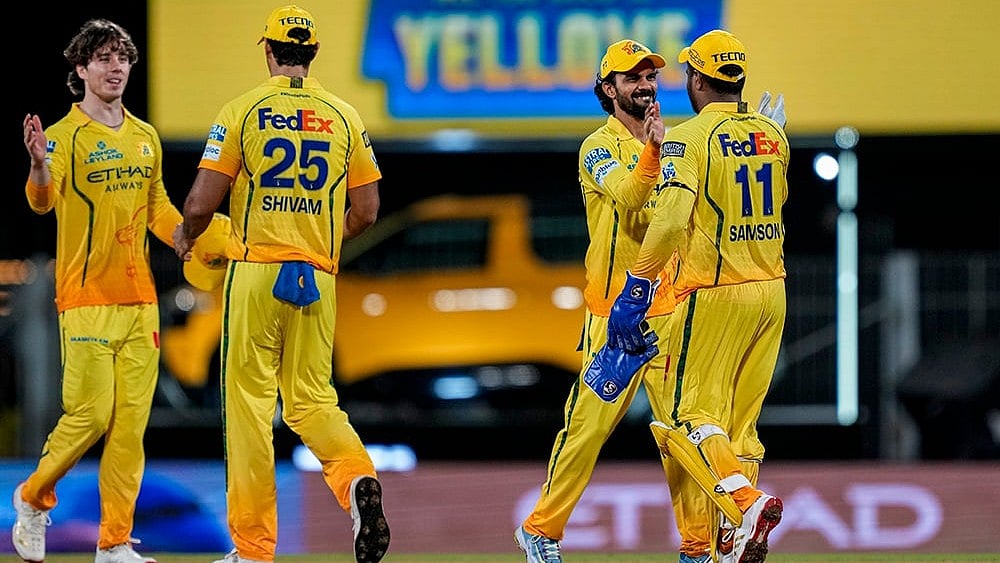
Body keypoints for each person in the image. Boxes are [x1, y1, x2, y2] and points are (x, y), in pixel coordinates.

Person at [171, 5, 389, 563]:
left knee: (248, 411)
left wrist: (186, 235)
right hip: (317, 276)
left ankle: (252, 550)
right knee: (313, 402)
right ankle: (358, 479)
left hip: (256, 272)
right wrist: (318, 240)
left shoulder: (242, 110)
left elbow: (200, 202)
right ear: (312, 54)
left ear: (268, 50)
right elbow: (367, 209)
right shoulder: (344, 116)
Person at [515, 38, 710, 563]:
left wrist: (755, 132)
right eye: (631, 77)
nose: (645, 84)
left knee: (682, 436)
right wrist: (653, 150)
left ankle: (697, 547)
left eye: (649, 75)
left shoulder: (678, 142)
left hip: (668, 310)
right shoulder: (595, 148)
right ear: (608, 89)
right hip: (614, 317)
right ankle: (540, 530)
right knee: (587, 429)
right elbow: (628, 195)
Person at [608, 29, 789, 563]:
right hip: (772, 290)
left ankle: (745, 504)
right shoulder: (774, 135)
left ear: (697, 80)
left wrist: (638, 284)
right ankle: (732, 541)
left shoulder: (686, 140)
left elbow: (667, 223)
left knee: (686, 417)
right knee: (740, 428)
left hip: (713, 293)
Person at [14, 18, 179, 563]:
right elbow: (42, 201)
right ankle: (33, 498)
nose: (115, 68)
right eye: (104, 59)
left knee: (129, 431)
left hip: (142, 304)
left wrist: (192, 239)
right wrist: (39, 164)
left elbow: (158, 210)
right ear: (81, 69)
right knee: (90, 415)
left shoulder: (146, 135)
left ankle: (113, 544)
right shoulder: (62, 136)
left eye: (123, 58)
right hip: (86, 301)